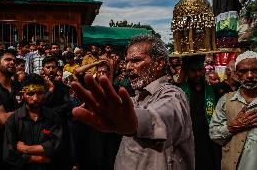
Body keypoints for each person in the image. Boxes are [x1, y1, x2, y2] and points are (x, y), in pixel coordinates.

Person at [72, 35, 194, 170]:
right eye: (127, 61)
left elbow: (163, 116)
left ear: (159, 63)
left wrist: (134, 122)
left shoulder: (173, 95)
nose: (128, 67)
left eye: (136, 60)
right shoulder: (134, 100)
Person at [209, 51, 257, 170]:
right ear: (236, 75)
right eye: (243, 71)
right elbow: (214, 135)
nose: (249, 75)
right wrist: (232, 127)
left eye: (255, 70)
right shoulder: (225, 101)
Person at [3, 73, 62, 170]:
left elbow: (56, 146)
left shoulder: (53, 117)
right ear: (22, 95)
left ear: (44, 93)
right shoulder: (13, 120)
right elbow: (9, 153)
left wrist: (26, 149)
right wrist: (36, 158)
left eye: (39, 93)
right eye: (30, 93)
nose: (35, 98)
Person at [179, 55, 221, 170]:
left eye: (200, 70)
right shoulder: (179, 93)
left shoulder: (214, 91)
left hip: (210, 142)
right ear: (187, 72)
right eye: (193, 71)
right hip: (188, 141)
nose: (197, 74)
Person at [0, 49, 23, 169]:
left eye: (14, 60)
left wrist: (4, 122)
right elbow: (3, 118)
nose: (13, 62)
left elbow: (37, 112)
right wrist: (29, 113)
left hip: (20, 146)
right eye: (8, 59)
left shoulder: (21, 87)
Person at [41, 56, 73, 170]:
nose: (50, 70)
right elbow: (37, 106)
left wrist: (49, 112)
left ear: (57, 70)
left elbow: (68, 105)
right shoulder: (38, 86)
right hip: (44, 129)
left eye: (53, 67)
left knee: (62, 158)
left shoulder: (62, 86)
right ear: (42, 69)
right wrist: (50, 90)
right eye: (47, 67)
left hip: (61, 127)